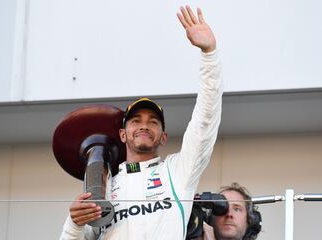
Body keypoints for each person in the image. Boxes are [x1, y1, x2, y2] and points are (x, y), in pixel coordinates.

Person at [60, 5, 223, 240]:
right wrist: (74, 224)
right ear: (123, 134)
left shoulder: (178, 172)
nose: (144, 125)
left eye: (153, 122)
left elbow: (205, 119)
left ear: (163, 137)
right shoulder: (103, 189)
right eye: (136, 121)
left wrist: (209, 54)